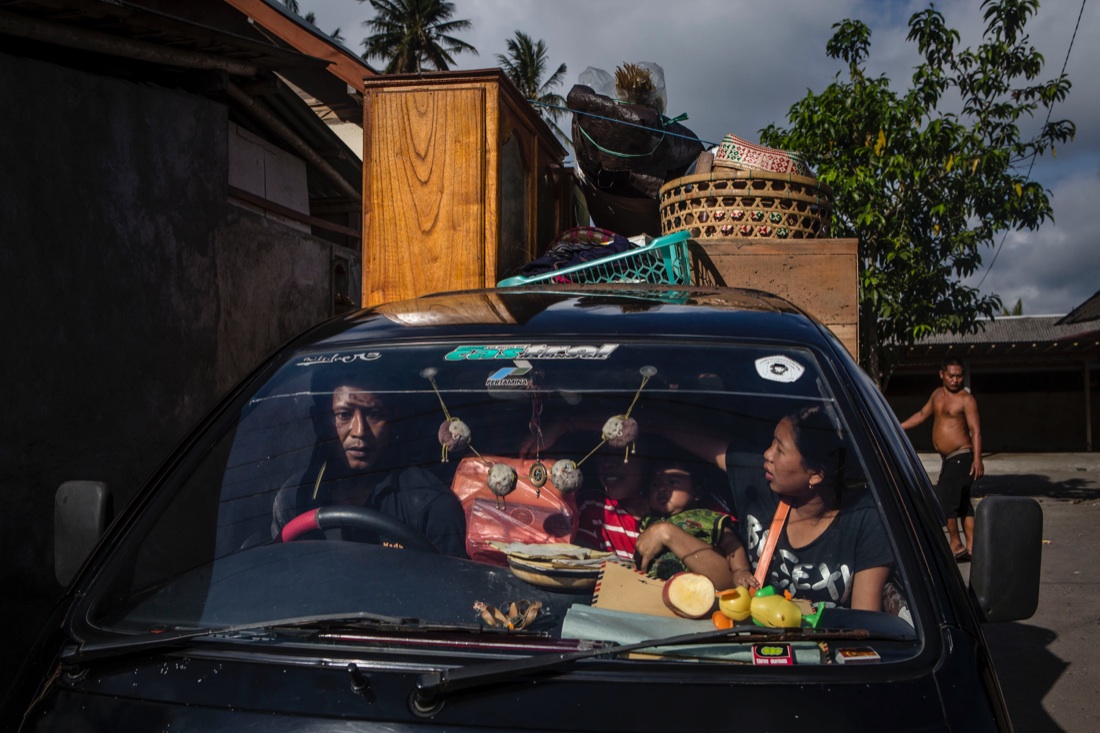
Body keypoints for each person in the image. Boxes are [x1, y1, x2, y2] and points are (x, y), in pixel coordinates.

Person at [271, 371, 467, 557]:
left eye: (374, 414)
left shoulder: (431, 506)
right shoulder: (295, 498)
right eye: (344, 414)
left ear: (394, 419)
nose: (359, 431)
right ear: (319, 421)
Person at [899, 356, 983, 561]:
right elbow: (921, 414)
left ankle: (955, 545)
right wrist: (897, 427)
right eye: (951, 375)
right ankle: (973, 547)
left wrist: (978, 459)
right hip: (949, 459)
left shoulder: (966, 399)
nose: (955, 380)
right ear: (942, 374)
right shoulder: (937, 395)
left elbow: (976, 430)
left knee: (944, 503)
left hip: (962, 457)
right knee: (963, 504)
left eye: (959, 376)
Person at [634, 454, 739, 589]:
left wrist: (739, 570)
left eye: (672, 482)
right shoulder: (648, 523)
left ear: (697, 492)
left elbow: (731, 543)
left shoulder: (705, 517)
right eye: (655, 484)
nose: (662, 488)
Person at [573, 446, 651, 562]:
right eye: (602, 452)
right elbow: (586, 566)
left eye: (621, 451)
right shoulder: (595, 508)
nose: (607, 464)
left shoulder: (676, 518)